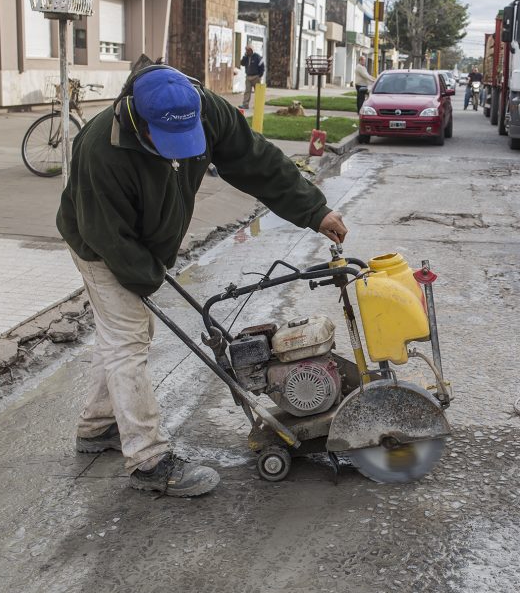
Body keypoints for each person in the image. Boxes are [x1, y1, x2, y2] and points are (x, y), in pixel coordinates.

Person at [57, 62, 348, 498]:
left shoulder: (207, 109)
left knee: (125, 336)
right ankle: (149, 459)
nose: (178, 153)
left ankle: (98, 428)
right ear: (139, 120)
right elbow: (107, 235)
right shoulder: (102, 149)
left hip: (146, 241)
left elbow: (258, 162)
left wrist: (314, 210)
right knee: (128, 337)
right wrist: (146, 277)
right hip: (100, 244)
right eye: (167, 142)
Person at [238, 45, 264, 110]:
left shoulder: (257, 57)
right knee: (247, 91)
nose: (247, 51)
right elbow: (242, 63)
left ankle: (258, 105)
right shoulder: (246, 57)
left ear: (252, 50)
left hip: (256, 77)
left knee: (257, 92)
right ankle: (245, 105)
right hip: (248, 76)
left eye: (248, 50)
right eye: (246, 50)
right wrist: (245, 56)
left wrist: (260, 76)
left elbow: (262, 66)